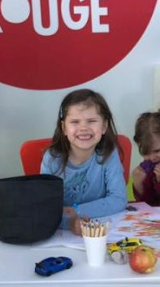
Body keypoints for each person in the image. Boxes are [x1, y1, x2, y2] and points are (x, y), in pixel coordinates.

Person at [41, 89, 127, 235]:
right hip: (62, 235)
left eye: (91, 121)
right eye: (75, 122)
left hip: (102, 231)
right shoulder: (52, 159)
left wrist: (76, 211)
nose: (83, 128)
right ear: (64, 128)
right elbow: (45, 209)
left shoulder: (108, 153)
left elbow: (119, 199)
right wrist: (69, 222)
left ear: (104, 126)